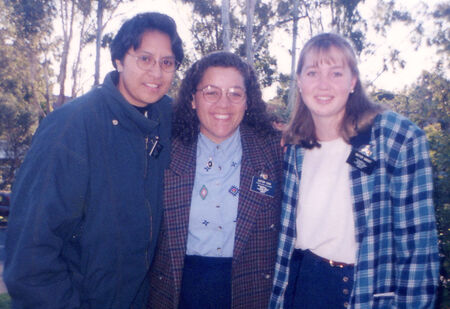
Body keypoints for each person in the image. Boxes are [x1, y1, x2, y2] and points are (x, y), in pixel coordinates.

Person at [4, 12, 183, 308]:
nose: (157, 72)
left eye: (167, 62)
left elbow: (220, 119)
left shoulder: (167, 118)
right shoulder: (70, 127)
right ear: (119, 60)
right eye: (145, 59)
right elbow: (30, 256)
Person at [269, 33, 439, 308]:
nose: (323, 84)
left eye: (336, 73)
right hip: (296, 284)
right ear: (299, 82)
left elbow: (418, 249)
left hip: (357, 289)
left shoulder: (396, 138)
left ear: (352, 82)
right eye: (312, 72)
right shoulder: (293, 147)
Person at [148, 51, 283, 308]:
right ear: (193, 99)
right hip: (178, 291)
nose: (224, 104)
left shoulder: (276, 152)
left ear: (247, 101)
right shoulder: (164, 152)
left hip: (248, 292)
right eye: (211, 92)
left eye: (235, 93)